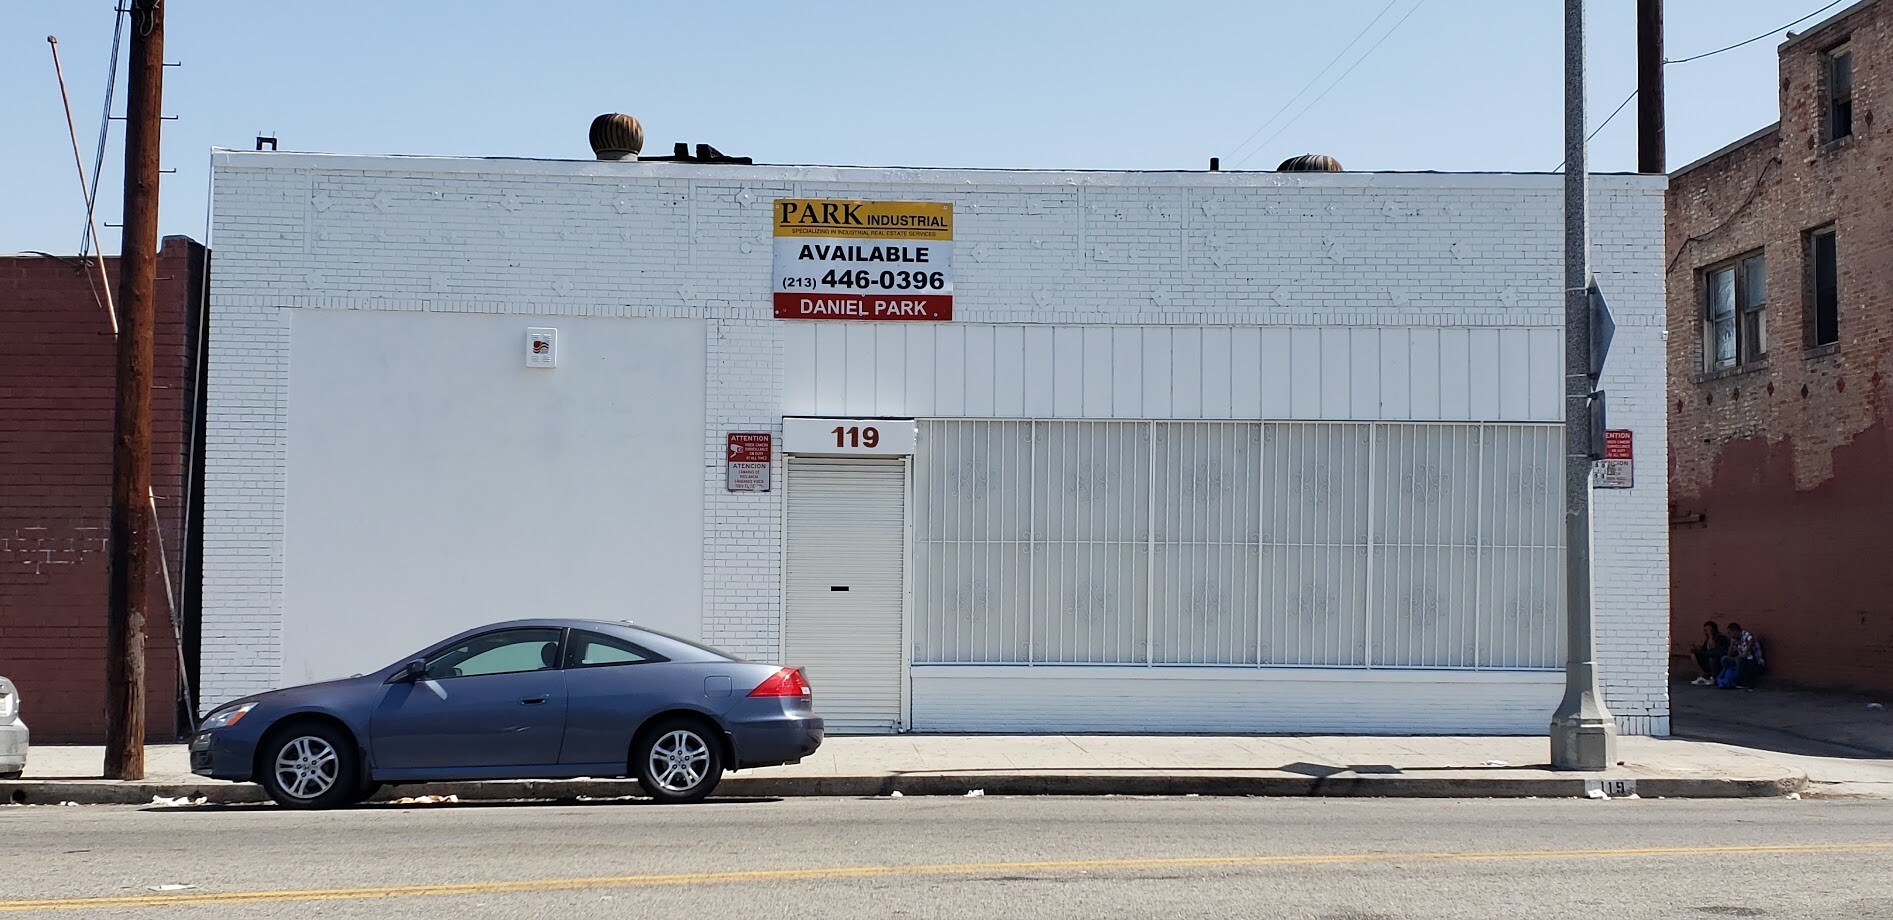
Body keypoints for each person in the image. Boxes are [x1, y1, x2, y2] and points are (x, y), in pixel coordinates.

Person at [1720, 622, 1767, 690]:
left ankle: (1744, 682)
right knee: (1724, 659)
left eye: (1730, 633)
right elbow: (1730, 655)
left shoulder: (1746, 635)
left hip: (1756, 663)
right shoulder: (1736, 640)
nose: (1729, 635)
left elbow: (1751, 640)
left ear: (1735, 631)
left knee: (1740, 660)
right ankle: (1728, 677)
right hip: (1742, 662)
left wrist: (1746, 651)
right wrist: (1731, 645)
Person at [1691, 621, 1730, 686]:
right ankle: (1702, 677)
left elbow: (1714, 650)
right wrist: (1697, 650)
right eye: (1705, 630)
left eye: (1707, 630)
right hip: (1708, 659)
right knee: (1693, 655)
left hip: (1718, 662)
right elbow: (1704, 650)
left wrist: (1710, 634)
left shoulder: (1721, 638)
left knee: (1712, 657)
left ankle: (1713, 678)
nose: (1705, 632)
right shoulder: (1708, 639)